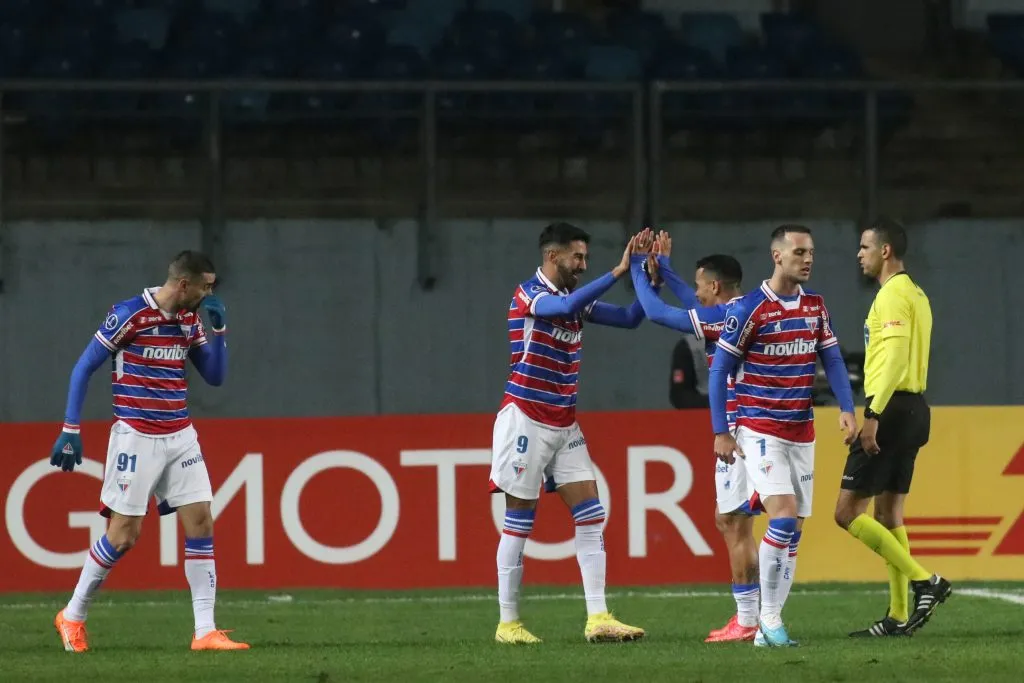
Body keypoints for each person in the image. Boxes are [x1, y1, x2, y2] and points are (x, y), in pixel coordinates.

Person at [50, 251, 248, 653]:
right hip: (136, 437)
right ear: (184, 284)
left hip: (180, 435)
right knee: (123, 536)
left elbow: (215, 377)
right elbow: (82, 367)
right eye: (206, 286)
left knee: (202, 521)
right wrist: (70, 427)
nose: (210, 293)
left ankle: (205, 631)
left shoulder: (190, 320)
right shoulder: (129, 314)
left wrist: (221, 332)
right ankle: (72, 615)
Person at [490, 222, 647, 644]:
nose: (582, 264)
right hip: (525, 417)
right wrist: (616, 272)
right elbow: (563, 309)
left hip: (564, 421)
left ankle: (599, 619)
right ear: (551, 256)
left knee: (591, 515)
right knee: (519, 522)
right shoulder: (530, 294)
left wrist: (643, 276)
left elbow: (631, 319)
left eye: (585, 259)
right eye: (576, 257)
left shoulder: (573, 300)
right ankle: (509, 625)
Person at [709, 225, 858, 647]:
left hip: (801, 431)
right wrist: (721, 431)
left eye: (810, 252)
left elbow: (831, 357)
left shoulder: (815, 306)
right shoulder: (749, 309)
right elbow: (720, 370)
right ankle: (768, 619)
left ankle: (766, 629)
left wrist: (847, 408)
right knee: (784, 516)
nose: (807, 259)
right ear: (777, 256)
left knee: (796, 530)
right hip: (759, 429)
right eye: (798, 252)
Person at [629, 229, 759, 643]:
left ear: (716, 286)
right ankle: (756, 618)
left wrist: (635, 268)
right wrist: (664, 270)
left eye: (702, 284)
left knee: (733, 521)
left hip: (740, 428)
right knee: (738, 522)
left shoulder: (724, 316)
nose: (697, 291)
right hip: (754, 424)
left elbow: (656, 313)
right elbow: (689, 302)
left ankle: (750, 619)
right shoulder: (737, 309)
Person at [835, 217, 951, 637]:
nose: (859, 255)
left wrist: (874, 414)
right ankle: (899, 616)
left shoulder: (892, 296)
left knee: (847, 513)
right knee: (889, 513)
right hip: (915, 406)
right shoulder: (916, 293)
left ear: (885, 251)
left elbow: (896, 359)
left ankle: (926, 581)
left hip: (893, 408)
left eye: (865, 247)